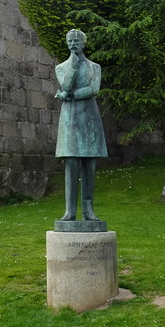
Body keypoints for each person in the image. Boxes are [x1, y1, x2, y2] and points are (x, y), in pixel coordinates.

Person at [54, 29, 108, 222]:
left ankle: (88, 210)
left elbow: (94, 89)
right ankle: (70, 211)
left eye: (77, 40)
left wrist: (71, 96)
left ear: (84, 43)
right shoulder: (61, 67)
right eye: (70, 41)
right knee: (71, 163)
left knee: (89, 164)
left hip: (89, 117)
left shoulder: (95, 67)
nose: (73, 44)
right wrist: (74, 67)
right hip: (70, 118)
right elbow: (66, 85)